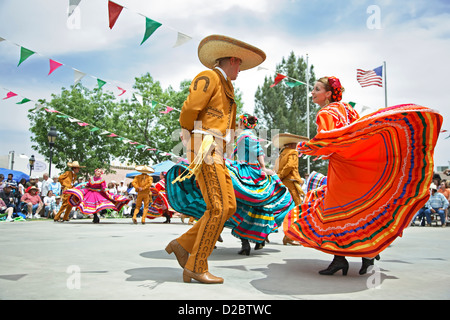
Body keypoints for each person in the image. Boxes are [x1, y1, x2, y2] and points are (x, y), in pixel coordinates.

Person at [283, 76, 443, 276]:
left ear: (328, 94)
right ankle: (366, 257)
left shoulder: (325, 112)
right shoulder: (348, 109)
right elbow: (356, 135)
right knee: (362, 209)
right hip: (356, 167)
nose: (312, 93)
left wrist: (304, 147)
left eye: (316, 89)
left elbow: (329, 142)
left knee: (336, 213)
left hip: (342, 169)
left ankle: (340, 259)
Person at [165, 34, 265, 284]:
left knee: (228, 207)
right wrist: (190, 137)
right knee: (218, 207)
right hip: (204, 145)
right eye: (239, 64)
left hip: (217, 149)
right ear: (232, 60)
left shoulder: (228, 86)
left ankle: (182, 245)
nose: (240, 69)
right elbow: (189, 110)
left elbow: (228, 126)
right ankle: (196, 266)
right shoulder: (209, 76)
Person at [64, 168, 129, 223]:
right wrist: (83, 185)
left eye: (100, 172)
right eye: (98, 171)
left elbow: (103, 187)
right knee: (89, 204)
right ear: (95, 172)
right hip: (90, 192)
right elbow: (89, 185)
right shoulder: (91, 178)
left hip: (98, 193)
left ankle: (95, 216)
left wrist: (107, 193)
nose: (99, 173)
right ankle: (95, 216)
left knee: (96, 205)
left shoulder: (102, 180)